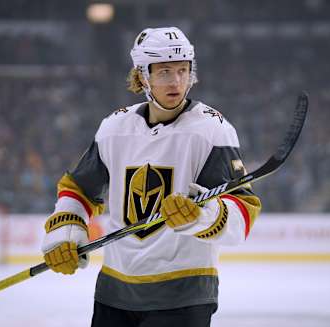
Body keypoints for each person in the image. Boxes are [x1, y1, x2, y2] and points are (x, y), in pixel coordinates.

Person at [41, 26, 261, 326]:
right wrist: (64, 236)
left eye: (183, 70)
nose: (176, 81)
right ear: (142, 75)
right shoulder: (114, 128)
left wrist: (200, 216)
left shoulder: (212, 130)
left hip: (184, 296)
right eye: (165, 72)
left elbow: (243, 213)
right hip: (114, 293)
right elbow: (77, 190)